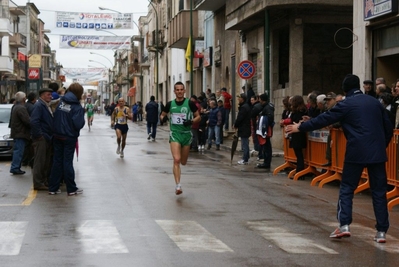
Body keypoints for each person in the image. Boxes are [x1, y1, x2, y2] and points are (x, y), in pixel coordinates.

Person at [285, 74, 393, 243]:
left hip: (355, 151)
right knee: (379, 191)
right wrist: (381, 145)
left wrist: (301, 127)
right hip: (377, 153)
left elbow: (324, 119)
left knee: (347, 187)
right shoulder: (375, 102)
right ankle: (381, 232)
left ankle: (344, 225)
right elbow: (388, 126)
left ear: (344, 89)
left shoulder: (345, 104)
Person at [160, 82, 200, 195]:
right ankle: (178, 186)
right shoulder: (170, 104)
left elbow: (198, 117)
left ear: (184, 91)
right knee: (176, 160)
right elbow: (162, 114)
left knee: (183, 162)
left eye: (181, 89)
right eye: (177, 90)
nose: (179, 91)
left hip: (187, 134)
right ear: (174, 91)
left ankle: (178, 182)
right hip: (175, 134)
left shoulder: (190, 103)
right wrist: (163, 118)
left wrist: (191, 121)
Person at [48, 83, 85, 196]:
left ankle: (53, 188)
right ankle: (71, 189)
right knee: (67, 162)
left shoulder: (60, 102)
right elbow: (78, 124)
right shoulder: (77, 107)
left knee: (57, 161)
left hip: (57, 135)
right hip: (69, 136)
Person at [30, 88, 54, 190]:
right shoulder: (39, 106)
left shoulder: (45, 105)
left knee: (45, 161)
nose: (50, 96)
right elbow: (34, 121)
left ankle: (43, 181)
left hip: (47, 137)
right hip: (42, 138)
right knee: (40, 161)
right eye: (48, 95)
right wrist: (39, 135)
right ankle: (38, 183)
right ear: (43, 95)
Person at [281, 95, 308, 175]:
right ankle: (299, 170)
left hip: (298, 134)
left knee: (299, 154)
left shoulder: (300, 111)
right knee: (298, 154)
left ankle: (300, 171)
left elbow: (294, 120)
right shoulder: (297, 111)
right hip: (295, 134)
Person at [9, 92, 30, 175]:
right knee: (19, 151)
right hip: (20, 133)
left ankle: (15, 167)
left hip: (17, 132)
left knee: (18, 150)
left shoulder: (15, 107)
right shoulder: (21, 108)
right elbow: (27, 121)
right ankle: (15, 167)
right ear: (24, 99)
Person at [256, 93, 275, 170]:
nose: (259, 100)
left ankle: (267, 163)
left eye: (260, 99)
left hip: (266, 129)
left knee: (267, 146)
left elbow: (270, 118)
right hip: (265, 129)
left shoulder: (268, 108)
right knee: (265, 146)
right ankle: (266, 161)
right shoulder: (265, 107)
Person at [234, 93, 252, 165]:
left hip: (244, 128)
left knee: (244, 144)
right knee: (245, 143)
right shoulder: (245, 106)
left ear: (243, 99)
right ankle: (246, 158)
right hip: (245, 127)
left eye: (239, 98)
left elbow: (240, 118)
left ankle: (245, 159)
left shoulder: (244, 107)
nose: (238, 99)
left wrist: (236, 124)